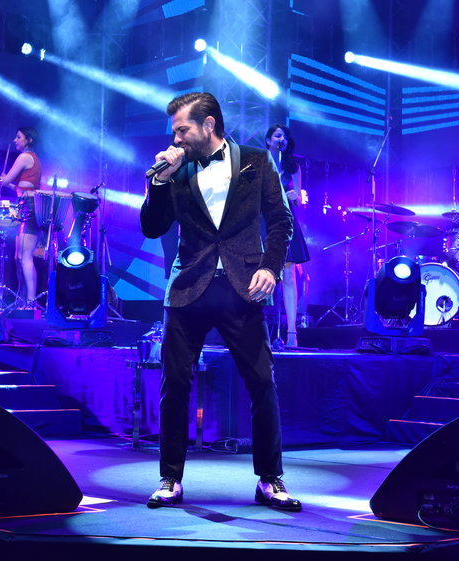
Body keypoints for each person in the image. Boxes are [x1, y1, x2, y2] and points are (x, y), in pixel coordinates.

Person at [140, 92, 301, 511]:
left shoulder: (257, 161)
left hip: (241, 287)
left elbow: (281, 220)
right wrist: (158, 182)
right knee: (174, 384)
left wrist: (271, 267)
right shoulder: (174, 170)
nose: (176, 138)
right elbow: (152, 227)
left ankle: (270, 479)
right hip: (188, 287)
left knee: (261, 382)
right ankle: (170, 478)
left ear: (208, 125)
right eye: (175, 131)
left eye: (182, 130)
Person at [265, 124, 310, 348]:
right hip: (264, 220)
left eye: (284, 136)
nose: (281, 139)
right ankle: (261, 330)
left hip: (286, 220)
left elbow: (300, 200)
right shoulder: (260, 161)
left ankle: (292, 332)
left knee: (289, 274)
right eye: (277, 136)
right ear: (268, 140)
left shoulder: (293, 166)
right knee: (263, 273)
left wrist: (295, 196)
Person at [0, 127, 41, 305]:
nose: (15, 140)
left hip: (29, 206)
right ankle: (22, 300)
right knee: (19, 256)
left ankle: (30, 302)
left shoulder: (25, 157)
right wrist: (4, 180)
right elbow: (18, 186)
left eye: (18, 137)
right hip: (26, 205)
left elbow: (5, 181)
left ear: (28, 140)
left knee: (25, 256)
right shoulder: (32, 158)